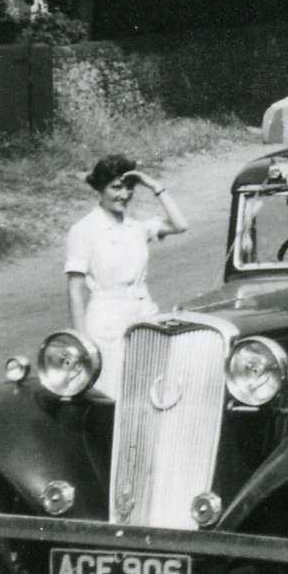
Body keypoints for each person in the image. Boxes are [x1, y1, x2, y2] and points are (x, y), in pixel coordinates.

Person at [65, 154, 189, 398]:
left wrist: (154, 186)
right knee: (110, 395)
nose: (124, 195)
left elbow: (180, 225)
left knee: (150, 389)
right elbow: (75, 290)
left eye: (129, 188)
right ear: (100, 189)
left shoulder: (136, 226)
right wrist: (82, 342)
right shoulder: (83, 230)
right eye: (116, 187)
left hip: (144, 314)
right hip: (106, 321)